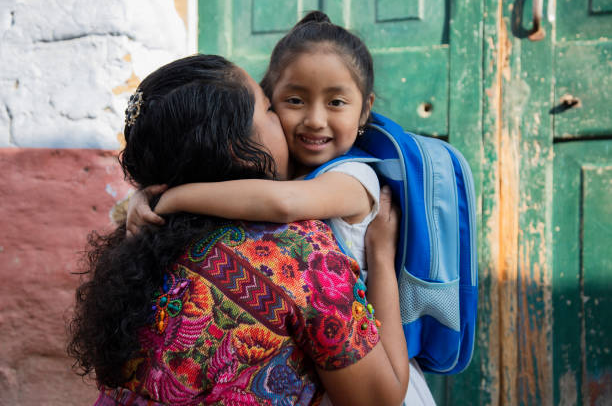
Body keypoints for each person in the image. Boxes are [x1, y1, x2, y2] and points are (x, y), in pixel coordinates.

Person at [127, 11, 435, 405]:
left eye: (337, 101)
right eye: (288, 103)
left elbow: (284, 204)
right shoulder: (280, 183)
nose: (314, 120)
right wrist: (139, 199)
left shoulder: (354, 178)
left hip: (377, 365)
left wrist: (173, 196)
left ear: (364, 109)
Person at [68, 53, 410, 406]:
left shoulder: (144, 236)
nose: (296, 122)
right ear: (240, 150)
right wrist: (382, 256)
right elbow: (380, 399)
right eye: (270, 109)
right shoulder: (298, 256)